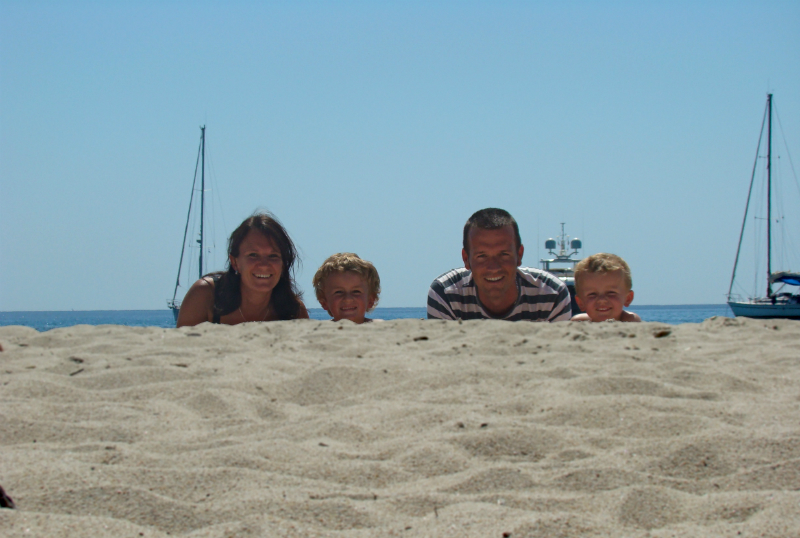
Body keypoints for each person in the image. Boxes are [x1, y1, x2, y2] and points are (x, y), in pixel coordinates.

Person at [427, 208, 572, 321]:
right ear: (466, 259)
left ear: (519, 255)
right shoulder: (445, 293)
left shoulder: (551, 294)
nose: (494, 267)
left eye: (504, 255)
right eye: (482, 256)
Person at [176, 212, 309, 327]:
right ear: (235, 262)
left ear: (283, 264)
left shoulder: (293, 310)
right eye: (253, 255)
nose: (264, 265)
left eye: (273, 256)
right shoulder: (205, 296)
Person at [570, 253, 641, 322]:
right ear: (580, 303)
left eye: (611, 293)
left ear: (628, 298)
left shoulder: (630, 320)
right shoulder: (579, 322)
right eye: (592, 294)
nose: (602, 300)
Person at [312, 253, 381, 323]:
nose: (348, 299)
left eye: (356, 291)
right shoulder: (319, 330)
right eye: (338, 292)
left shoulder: (380, 327)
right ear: (324, 302)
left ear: (371, 300)